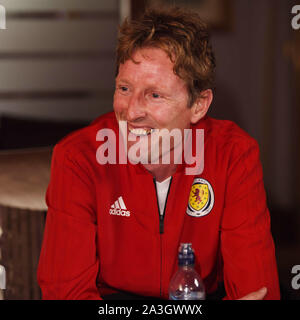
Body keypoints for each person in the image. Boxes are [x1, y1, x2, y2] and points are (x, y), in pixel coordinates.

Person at [37, 7, 280, 300]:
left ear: (199, 106)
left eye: (154, 94)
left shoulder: (233, 154)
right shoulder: (78, 157)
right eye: (124, 88)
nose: (133, 111)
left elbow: (258, 292)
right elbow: (66, 294)